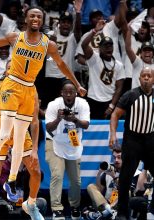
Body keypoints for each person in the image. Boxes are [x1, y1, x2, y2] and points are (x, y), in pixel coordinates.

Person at [0, 6, 86, 201]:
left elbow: (62, 65)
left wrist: (77, 84)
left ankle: (12, 181)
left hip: (29, 89)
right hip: (12, 84)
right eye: (32, 15)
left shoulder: (49, 44)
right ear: (26, 18)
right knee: (5, 134)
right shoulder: (16, 37)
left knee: (21, 139)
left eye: (39, 16)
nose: (35, 19)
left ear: (42, 20)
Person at [0, 62, 44, 220]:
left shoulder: (30, 89)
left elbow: (34, 121)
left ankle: (31, 205)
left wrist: (34, 149)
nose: (11, 71)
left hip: (21, 133)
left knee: (35, 172)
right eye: (9, 68)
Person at [109, 67, 154, 220]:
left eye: (149, 75)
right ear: (139, 78)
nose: (146, 78)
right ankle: (122, 213)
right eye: (144, 76)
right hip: (132, 141)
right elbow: (115, 114)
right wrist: (113, 135)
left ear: (153, 79)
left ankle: (151, 209)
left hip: (150, 141)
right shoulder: (131, 95)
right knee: (125, 178)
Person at [45, 80, 90, 219]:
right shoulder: (53, 105)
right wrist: (59, 119)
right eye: (66, 92)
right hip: (54, 141)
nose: (69, 95)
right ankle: (57, 209)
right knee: (57, 175)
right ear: (62, 93)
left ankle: (75, 207)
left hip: (73, 141)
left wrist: (75, 119)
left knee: (76, 180)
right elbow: (48, 128)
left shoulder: (82, 104)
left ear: (76, 93)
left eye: (72, 92)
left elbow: (86, 125)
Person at [81, 20, 125, 119]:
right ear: (100, 48)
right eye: (105, 46)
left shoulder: (119, 65)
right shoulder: (94, 58)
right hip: (93, 100)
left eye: (110, 45)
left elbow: (119, 88)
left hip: (109, 102)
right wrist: (94, 31)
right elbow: (84, 45)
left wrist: (112, 106)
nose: (109, 48)